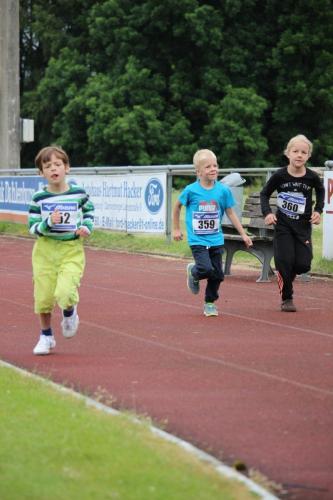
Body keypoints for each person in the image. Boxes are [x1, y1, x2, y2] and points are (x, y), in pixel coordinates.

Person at [28, 145, 94, 355]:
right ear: (41, 173)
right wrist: (47, 223)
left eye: (58, 164)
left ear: (67, 168)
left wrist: (86, 227)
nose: (53, 169)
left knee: (65, 292)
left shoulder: (79, 194)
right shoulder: (39, 198)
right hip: (45, 250)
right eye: (48, 166)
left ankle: (69, 312)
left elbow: (89, 212)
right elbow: (32, 227)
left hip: (70, 248)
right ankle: (46, 336)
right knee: (44, 297)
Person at [173, 149, 252, 317]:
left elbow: (231, 213)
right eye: (208, 166)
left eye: (215, 165)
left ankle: (209, 303)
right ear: (198, 171)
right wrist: (176, 228)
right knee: (206, 269)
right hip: (198, 239)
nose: (213, 169)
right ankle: (194, 272)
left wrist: (243, 234)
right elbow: (177, 206)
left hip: (216, 239)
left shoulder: (223, 191)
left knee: (217, 275)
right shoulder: (191, 190)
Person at [260, 134, 325, 312]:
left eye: (303, 152)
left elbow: (321, 192)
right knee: (284, 261)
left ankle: (286, 276)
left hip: (303, 227)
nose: (299, 155)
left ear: (308, 156)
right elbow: (264, 194)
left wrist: (318, 211)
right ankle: (287, 297)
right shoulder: (280, 175)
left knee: (304, 264)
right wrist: (267, 213)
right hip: (283, 226)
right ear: (287, 153)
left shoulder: (311, 177)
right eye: (295, 151)